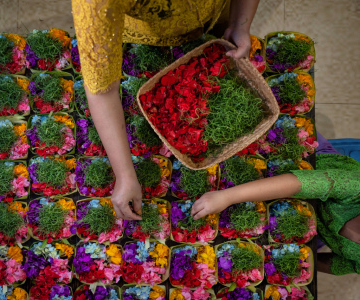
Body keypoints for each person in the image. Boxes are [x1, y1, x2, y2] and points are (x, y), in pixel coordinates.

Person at [72, 0, 260, 220]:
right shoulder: (97, 3)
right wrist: (124, 175)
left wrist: (240, 24)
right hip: (153, 29)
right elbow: (101, 89)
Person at [192, 132, 360, 275]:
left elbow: (340, 265)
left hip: (312, 222)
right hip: (311, 166)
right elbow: (298, 183)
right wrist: (226, 197)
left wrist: (294, 260)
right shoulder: (355, 187)